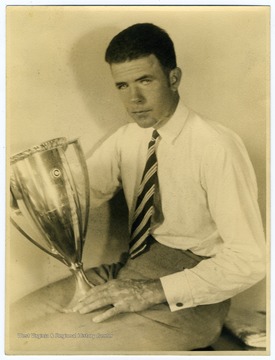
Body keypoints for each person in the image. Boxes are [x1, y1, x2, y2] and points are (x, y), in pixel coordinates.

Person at [10, 23, 266, 352]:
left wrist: (148, 292)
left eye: (145, 80)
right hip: (132, 267)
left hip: (190, 296)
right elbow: (79, 192)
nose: (134, 99)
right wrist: (26, 190)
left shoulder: (217, 146)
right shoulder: (127, 139)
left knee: (46, 344)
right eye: (122, 85)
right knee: (13, 320)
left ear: (174, 78)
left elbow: (250, 259)